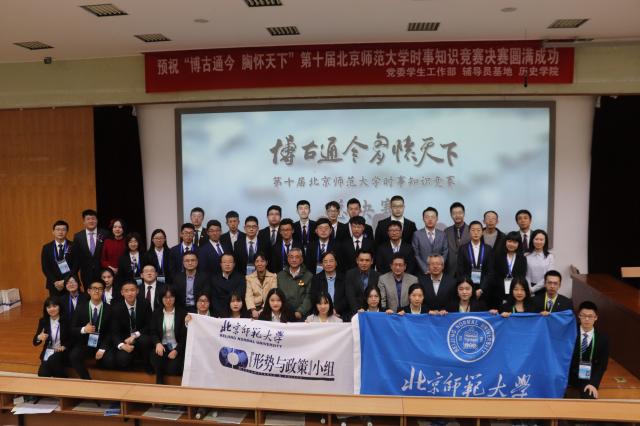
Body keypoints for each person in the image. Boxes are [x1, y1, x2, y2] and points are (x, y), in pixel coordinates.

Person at [69, 279, 112, 379]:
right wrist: (84, 329)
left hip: (102, 343)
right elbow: (71, 329)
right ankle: (87, 379)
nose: (97, 291)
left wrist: (102, 348)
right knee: (74, 356)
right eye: (94, 288)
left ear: (103, 291)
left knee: (109, 361)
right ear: (89, 291)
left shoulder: (109, 309)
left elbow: (111, 332)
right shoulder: (80, 308)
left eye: (100, 289)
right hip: (85, 344)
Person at [568, 301, 609, 399]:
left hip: (587, 378)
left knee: (590, 396)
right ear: (579, 316)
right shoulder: (569, 333)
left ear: (596, 317)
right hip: (567, 376)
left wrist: (593, 383)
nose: (586, 319)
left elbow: (602, 365)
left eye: (590, 316)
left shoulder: (602, 339)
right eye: (583, 315)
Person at [109, 280, 153, 373]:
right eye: (126, 291)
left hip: (139, 337)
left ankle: (147, 364)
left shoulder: (145, 303)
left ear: (137, 291)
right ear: (122, 292)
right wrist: (122, 345)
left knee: (145, 340)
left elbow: (149, 325)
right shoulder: (116, 308)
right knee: (122, 360)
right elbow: (114, 332)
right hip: (125, 340)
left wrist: (135, 335)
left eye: (132, 290)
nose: (130, 293)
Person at [150, 287, 187, 384]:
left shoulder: (182, 313)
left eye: (171, 297)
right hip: (162, 346)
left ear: (175, 298)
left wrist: (176, 350)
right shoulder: (157, 313)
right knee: (156, 356)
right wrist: (157, 343)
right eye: (165, 297)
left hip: (176, 346)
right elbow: (153, 332)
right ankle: (159, 382)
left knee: (173, 369)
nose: (168, 300)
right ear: (161, 299)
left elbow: (184, 337)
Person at [456, 221, 495, 302]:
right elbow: (460, 270)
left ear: (482, 232)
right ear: (469, 232)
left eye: (478, 230)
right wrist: (469, 288)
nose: (476, 233)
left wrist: (481, 289)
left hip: (484, 289)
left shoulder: (488, 249)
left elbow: (490, 271)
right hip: (467, 290)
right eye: (473, 230)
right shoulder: (463, 249)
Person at [33, 298, 70, 378]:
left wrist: (64, 346)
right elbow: (35, 342)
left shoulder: (66, 320)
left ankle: (62, 379)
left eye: (54, 306)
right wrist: (39, 337)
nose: (52, 309)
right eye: (49, 307)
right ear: (46, 309)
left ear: (59, 307)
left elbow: (72, 338)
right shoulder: (43, 321)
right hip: (48, 351)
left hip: (62, 351)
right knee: (42, 374)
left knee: (54, 360)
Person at [71, 209, 109, 288]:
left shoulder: (105, 234)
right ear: (84, 222)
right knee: (88, 293)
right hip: (86, 273)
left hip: (103, 272)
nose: (91, 221)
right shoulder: (78, 236)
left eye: (93, 219)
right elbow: (76, 257)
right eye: (88, 219)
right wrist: (73, 274)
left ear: (97, 220)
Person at [491, 231, 527, 309]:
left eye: (515, 242)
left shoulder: (522, 258)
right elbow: (494, 274)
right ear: (505, 242)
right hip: (498, 292)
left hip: (515, 293)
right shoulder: (498, 256)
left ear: (518, 244)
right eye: (509, 241)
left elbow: (522, 276)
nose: (511, 244)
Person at [277, 248, 312, 320]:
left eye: (297, 257)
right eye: (291, 257)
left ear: (301, 259)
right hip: (283, 313)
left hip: (302, 315)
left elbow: (309, 296)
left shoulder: (308, 276)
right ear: (288, 259)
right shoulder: (280, 275)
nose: (294, 260)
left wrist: (300, 311)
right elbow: (277, 295)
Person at [41, 219, 74, 297]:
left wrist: (64, 281)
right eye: (58, 229)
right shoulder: (47, 248)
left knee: (70, 304)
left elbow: (75, 266)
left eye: (63, 230)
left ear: (67, 231)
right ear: (53, 231)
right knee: (55, 304)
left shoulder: (73, 246)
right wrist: (55, 282)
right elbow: (45, 267)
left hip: (70, 282)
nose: (60, 232)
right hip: (54, 284)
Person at [310, 252, 348, 319]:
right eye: (325, 261)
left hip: (341, 314)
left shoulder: (344, 278)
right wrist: (327, 311)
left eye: (331, 261)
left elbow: (347, 298)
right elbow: (314, 297)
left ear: (336, 263)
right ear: (322, 264)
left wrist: (335, 310)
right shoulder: (316, 279)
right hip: (321, 313)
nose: (328, 264)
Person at [412, 207, 448, 275]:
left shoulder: (442, 234)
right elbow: (416, 254)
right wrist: (425, 269)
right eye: (427, 217)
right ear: (423, 219)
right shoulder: (417, 234)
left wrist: (439, 266)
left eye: (433, 217)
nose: (430, 219)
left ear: (437, 219)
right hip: (422, 272)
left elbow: (445, 252)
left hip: (439, 272)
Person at [345, 249, 380, 317]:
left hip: (373, 313)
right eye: (361, 260)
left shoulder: (378, 276)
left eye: (367, 260)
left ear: (372, 261)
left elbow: (378, 297)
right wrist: (358, 313)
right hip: (354, 313)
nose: (364, 263)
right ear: (357, 261)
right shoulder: (350, 274)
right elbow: (350, 296)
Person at [245, 252, 277, 319]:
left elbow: (272, 294)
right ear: (254, 263)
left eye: (262, 261)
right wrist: (253, 310)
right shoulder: (249, 278)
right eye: (257, 261)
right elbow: (248, 295)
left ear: (266, 262)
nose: (259, 264)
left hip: (268, 307)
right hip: (254, 308)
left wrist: (263, 309)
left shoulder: (273, 277)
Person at [525, 229, 555, 295]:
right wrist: (529, 288)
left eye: (541, 240)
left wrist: (533, 289)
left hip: (544, 287)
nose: (538, 242)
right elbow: (527, 274)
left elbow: (548, 276)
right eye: (536, 239)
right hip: (529, 287)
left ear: (545, 241)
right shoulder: (527, 255)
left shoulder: (550, 256)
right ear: (532, 240)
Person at [444, 202, 470, 276]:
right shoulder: (446, 231)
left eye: (460, 213)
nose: (457, 215)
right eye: (454, 213)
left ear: (464, 214)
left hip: (467, 270)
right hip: (450, 270)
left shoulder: (471, 230)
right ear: (451, 215)